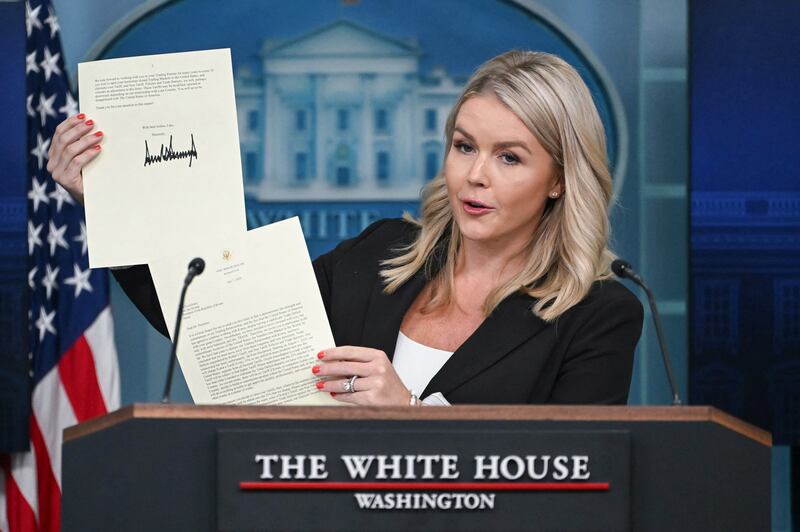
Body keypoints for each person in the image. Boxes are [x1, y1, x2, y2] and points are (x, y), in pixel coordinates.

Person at [49, 50, 643, 407]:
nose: (475, 175)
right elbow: (214, 319)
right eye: (464, 146)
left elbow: (574, 477)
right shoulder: (381, 252)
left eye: (509, 157)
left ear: (560, 179)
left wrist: (411, 414)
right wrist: (111, 197)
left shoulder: (598, 313)